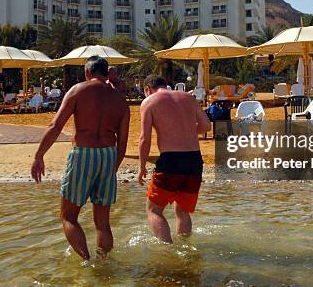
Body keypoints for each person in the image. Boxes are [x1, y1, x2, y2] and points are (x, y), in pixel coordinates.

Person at [31, 56, 130, 260]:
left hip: (83, 153)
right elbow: (123, 143)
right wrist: (113, 168)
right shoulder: (121, 100)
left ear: (87, 73)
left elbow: (55, 126)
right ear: (106, 73)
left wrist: (39, 155)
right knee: (103, 223)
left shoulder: (78, 90)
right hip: (108, 155)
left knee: (69, 217)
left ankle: (87, 261)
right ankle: (103, 263)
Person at [138, 75, 211, 244]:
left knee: (154, 210)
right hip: (194, 160)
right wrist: (186, 132)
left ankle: (168, 252)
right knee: (183, 211)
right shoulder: (188, 98)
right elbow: (207, 125)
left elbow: (144, 139)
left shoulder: (149, 102)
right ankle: (185, 248)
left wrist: (142, 167)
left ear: (148, 89)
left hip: (171, 161)